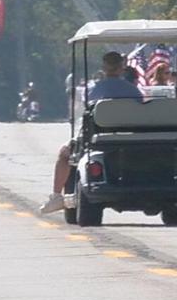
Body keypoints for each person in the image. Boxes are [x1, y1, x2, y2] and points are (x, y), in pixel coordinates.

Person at [39, 51, 142, 214]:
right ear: (122, 68)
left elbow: (83, 112)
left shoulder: (93, 90)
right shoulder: (134, 91)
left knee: (64, 153)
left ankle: (57, 196)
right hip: (130, 136)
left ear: (104, 67)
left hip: (98, 137)